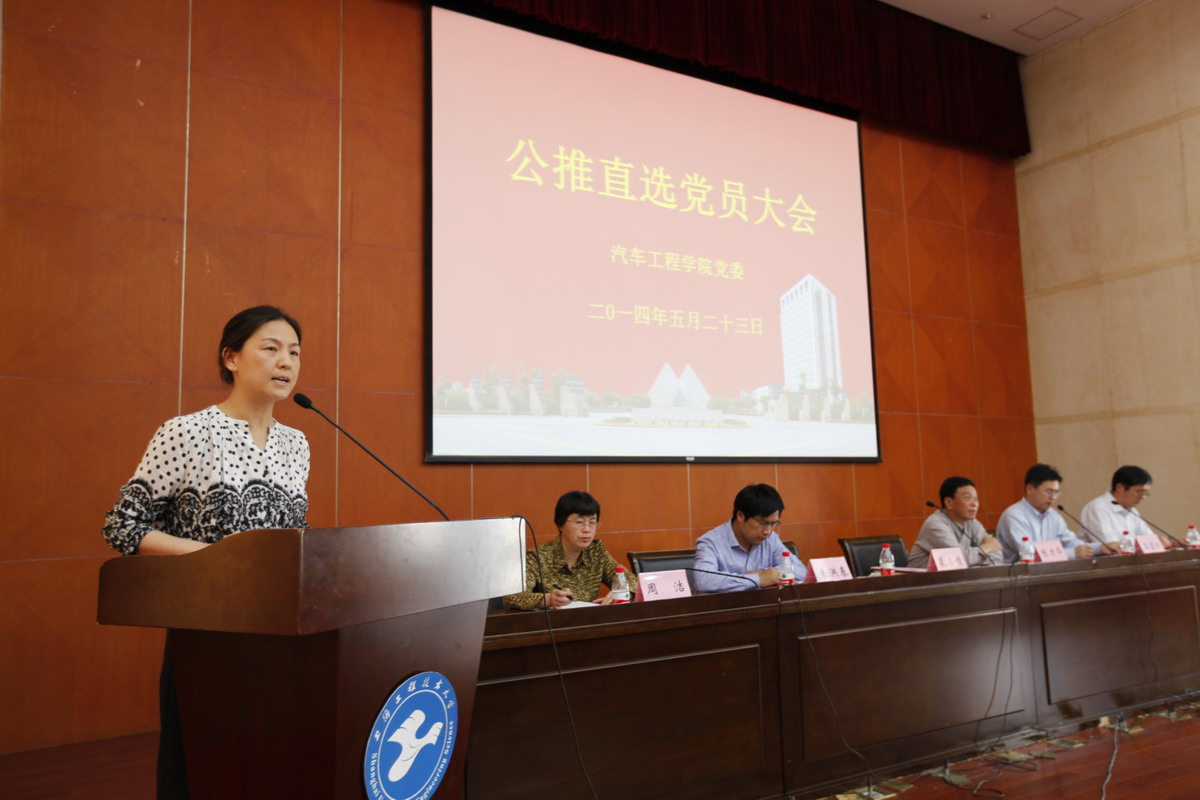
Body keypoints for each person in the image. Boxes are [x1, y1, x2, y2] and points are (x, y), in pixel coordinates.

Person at [101, 305, 310, 800]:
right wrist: (217, 555)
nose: (286, 362)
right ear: (231, 358)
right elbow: (123, 526)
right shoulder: (187, 432)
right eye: (271, 349)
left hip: (279, 629)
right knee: (202, 764)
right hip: (207, 627)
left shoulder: (297, 443)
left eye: (295, 352)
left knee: (269, 761)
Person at [504, 491, 637, 610]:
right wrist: (548, 600)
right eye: (579, 522)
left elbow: (633, 581)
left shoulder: (596, 552)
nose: (587, 529)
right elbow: (512, 598)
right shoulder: (538, 557)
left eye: (592, 522)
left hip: (588, 623)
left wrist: (623, 592)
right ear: (560, 524)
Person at [995, 464, 1119, 563]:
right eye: (1049, 492)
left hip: (1050, 574)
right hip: (1017, 579)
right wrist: (1072, 553)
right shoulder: (1014, 516)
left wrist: (1100, 547)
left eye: (1056, 492)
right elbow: (1030, 554)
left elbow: (1071, 542)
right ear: (1030, 489)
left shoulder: (1053, 515)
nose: (1053, 497)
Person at [693, 483, 805, 592]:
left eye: (773, 524)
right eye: (762, 523)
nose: (768, 531)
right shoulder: (711, 542)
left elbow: (801, 571)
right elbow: (703, 580)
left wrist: (763, 573)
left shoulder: (771, 540)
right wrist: (758, 579)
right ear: (740, 516)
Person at [908, 477, 1003, 569]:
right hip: (921, 578)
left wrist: (976, 555)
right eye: (967, 498)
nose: (974, 504)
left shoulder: (973, 523)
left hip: (958, 577)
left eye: (976, 499)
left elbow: (997, 555)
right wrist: (987, 548)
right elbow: (957, 559)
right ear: (949, 502)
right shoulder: (934, 525)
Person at [1080, 465, 1174, 549]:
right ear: (1120, 488)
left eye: (1145, 493)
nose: (1143, 497)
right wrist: (1143, 545)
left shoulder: (1132, 510)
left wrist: (1164, 542)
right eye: (1139, 492)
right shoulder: (1098, 508)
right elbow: (1111, 546)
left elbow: (1146, 538)